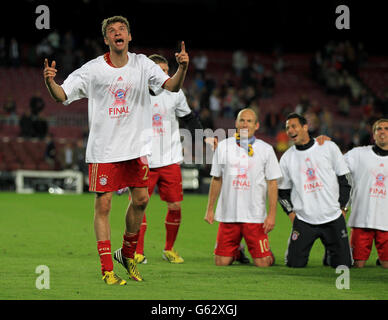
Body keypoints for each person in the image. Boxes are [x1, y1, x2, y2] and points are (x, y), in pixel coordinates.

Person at [43, 16, 189, 285]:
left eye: (122, 29)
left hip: (135, 149)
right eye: (112, 31)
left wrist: (181, 68)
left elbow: (172, 86)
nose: (117, 33)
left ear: (129, 37)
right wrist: (50, 82)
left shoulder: (143, 64)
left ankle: (128, 254)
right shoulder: (93, 70)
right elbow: (62, 95)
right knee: (104, 205)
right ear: (106, 40)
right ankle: (107, 268)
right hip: (105, 150)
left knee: (142, 200)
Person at [116, 54, 207, 264]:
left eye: (167, 70)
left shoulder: (175, 94)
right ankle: (137, 251)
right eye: (160, 70)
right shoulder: (135, 93)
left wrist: (205, 138)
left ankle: (169, 249)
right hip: (143, 160)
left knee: (175, 206)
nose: (164, 74)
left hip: (170, 159)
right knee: (139, 206)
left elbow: (188, 118)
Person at [204, 108, 281, 267]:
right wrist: (210, 208)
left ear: (257, 125)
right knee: (221, 262)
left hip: (254, 216)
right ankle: (237, 251)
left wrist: (272, 215)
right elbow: (216, 178)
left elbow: (272, 183)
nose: (245, 124)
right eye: (242, 120)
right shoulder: (224, 146)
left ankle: (265, 253)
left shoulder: (266, 149)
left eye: (249, 121)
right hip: (228, 214)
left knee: (263, 263)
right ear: (236, 123)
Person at [277, 113, 352, 268]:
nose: (290, 131)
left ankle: (330, 254)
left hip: (333, 218)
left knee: (343, 265)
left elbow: (345, 180)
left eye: (293, 126)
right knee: (294, 264)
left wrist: (343, 208)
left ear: (305, 127)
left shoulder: (328, 147)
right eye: (287, 128)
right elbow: (282, 193)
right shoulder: (286, 158)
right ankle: (327, 252)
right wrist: (292, 214)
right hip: (304, 220)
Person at [344, 119, 388, 268]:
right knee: (358, 264)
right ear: (374, 134)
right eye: (379, 129)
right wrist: (322, 145)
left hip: (386, 221)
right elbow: (336, 166)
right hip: (361, 219)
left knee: (386, 265)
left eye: (386, 129)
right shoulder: (358, 154)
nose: (383, 132)